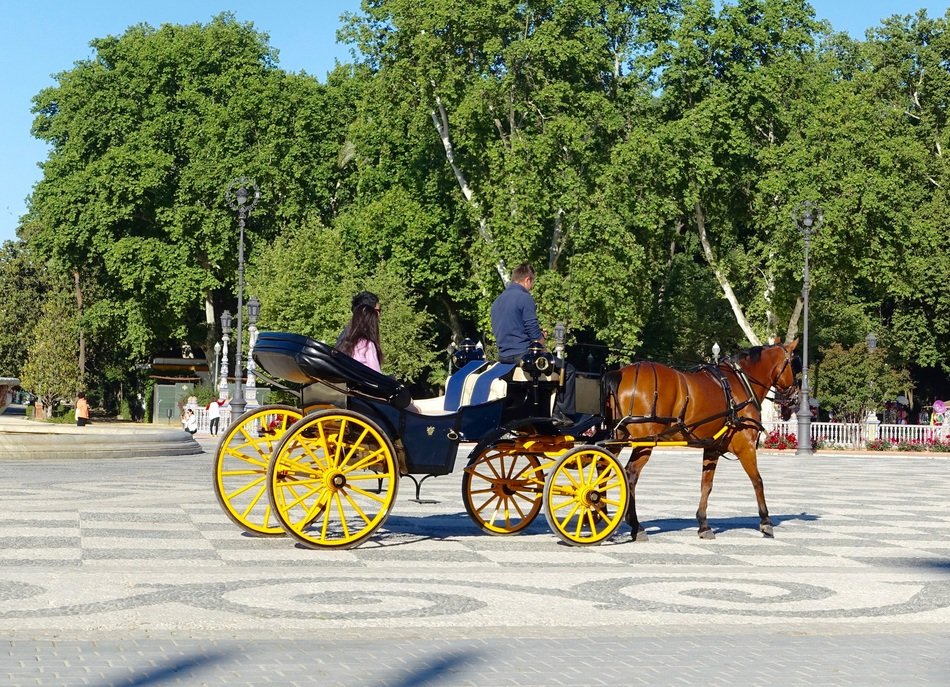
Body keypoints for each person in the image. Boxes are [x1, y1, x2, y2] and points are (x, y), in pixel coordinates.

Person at [490, 263, 576, 425]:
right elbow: (535, 336)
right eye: (532, 283)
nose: (531, 287)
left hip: (504, 357)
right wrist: (542, 337)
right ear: (527, 280)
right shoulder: (524, 298)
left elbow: (512, 329)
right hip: (524, 356)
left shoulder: (498, 301)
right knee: (568, 369)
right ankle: (561, 413)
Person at [337, 296, 384, 373]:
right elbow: (376, 374)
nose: (379, 315)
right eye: (377, 311)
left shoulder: (345, 340)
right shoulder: (367, 344)